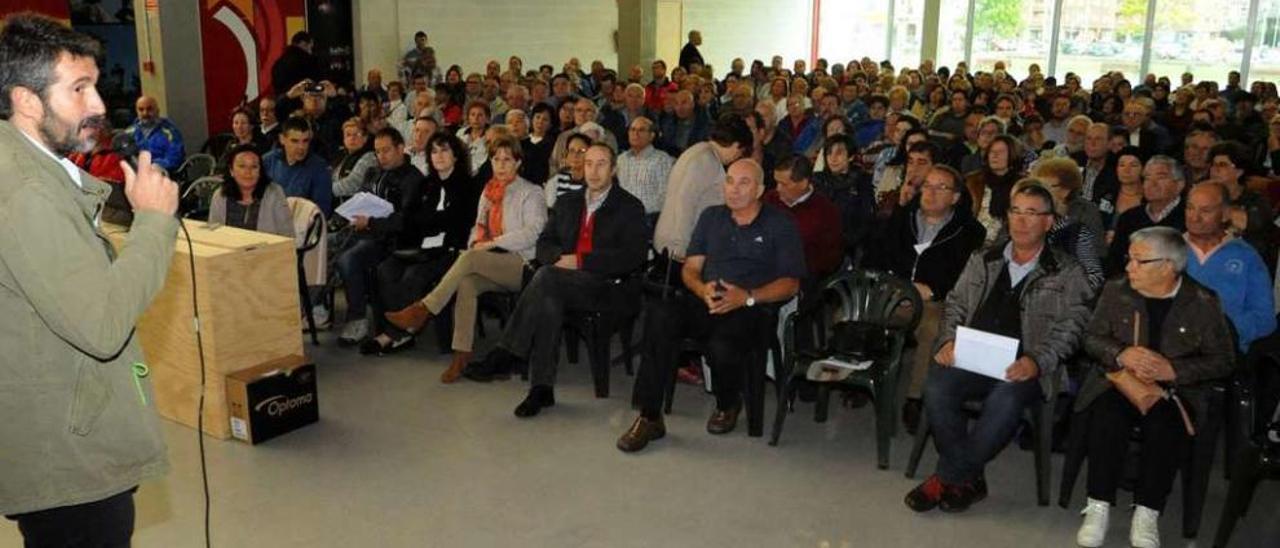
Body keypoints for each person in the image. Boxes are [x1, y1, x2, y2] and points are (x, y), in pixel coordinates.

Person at [0, 14, 179, 546]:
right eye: (78, 89)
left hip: (53, 433)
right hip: (69, 460)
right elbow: (101, 324)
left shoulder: (27, 170)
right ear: (27, 101)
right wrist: (153, 222)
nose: (99, 105)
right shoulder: (26, 194)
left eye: (95, 85)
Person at [905, 184, 1092, 513]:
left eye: (1031, 213)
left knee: (1006, 398)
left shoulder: (1066, 271)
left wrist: (1036, 360)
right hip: (974, 355)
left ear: (1049, 222)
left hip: (1026, 365)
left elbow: (1073, 327)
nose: (1021, 221)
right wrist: (948, 341)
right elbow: (955, 305)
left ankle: (947, 477)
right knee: (936, 386)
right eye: (1015, 211)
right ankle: (967, 477)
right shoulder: (984, 258)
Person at [618, 159, 805, 452]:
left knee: (722, 344)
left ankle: (728, 402)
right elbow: (691, 269)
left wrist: (747, 296)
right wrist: (701, 288)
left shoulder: (780, 224)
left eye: (744, 183)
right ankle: (650, 416)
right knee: (659, 316)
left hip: (752, 306)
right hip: (707, 299)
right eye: (729, 181)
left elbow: (791, 284)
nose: (734, 189)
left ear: (759, 190)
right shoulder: (711, 217)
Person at [1073, 227, 1234, 548]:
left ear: (1168, 267)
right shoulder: (1117, 290)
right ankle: (1098, 504)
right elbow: (1090, 338)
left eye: (1139, 261)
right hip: (1119, 382)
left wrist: (1174, 369)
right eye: (1129, 259)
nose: (1129, 268)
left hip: (1174, 391)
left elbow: (1224, 361)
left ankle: (1148, 510)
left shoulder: (1202, 302)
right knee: (1107, 417)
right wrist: (1121, 353)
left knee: (1165, 427)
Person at [472, 143, 647, 415]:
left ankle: (508, 352)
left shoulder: (629, 207)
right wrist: (557, 258)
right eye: (588, 163)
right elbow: (545, 243)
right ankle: (541, 389)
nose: (593, 171)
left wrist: (580, 261)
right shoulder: (568, 202)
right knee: (549, 297)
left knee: (546, 280)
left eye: (601, 164)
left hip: (609, 287)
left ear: (613, 169)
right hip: (562, 281)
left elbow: (633, 257)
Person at [384, 135, 547, 381]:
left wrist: (489, 244)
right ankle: (461, 355)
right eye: (496, 159)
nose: (501, 165)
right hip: (488, 260)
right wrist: (475, 242)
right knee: (466, 283)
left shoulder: (531, 192)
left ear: (518, 163)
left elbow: (532, 233)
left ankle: (423, 309)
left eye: (507, 160)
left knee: (469, 259)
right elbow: (477, 226)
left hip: (521, 264)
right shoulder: (489, 190)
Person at [865, 165, 986, 433]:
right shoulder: (901, 218)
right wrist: (896, 286)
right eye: (927, 185)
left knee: (933, 329)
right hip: (893, 292)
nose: (930, 192)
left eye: (940, 187)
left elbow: (964, 276)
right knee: (855, 313)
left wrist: (934, 290)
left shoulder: (969, 231)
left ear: (955, 197)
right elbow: (877, 257)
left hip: (934, 300)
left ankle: (915, 398)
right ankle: (862, 377)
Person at [333, 128, 431, 348]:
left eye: (386, 150)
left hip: (390, 239)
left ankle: (357, 319)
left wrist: (370, 222)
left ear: (400, 148)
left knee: (348, 259)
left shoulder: (413, 179)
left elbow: (405, 221)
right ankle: (313, 307)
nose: (381, 156)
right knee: (325, 247)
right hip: (364, 230)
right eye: (377, 152)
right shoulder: (374, 172)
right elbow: (363, 198)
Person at [1183, 183, 1276, 352]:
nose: (1194, 217)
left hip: (1225, 355)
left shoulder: (1246, 256)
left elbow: (1265, 318)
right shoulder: (1168, 248)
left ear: (1225, 214)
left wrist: (1221, 332)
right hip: (1169, 350)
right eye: (1190, 208)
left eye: (1205, 211)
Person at [653, 115, 754, 260]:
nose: (737, 157)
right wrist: (683, 248)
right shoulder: (707, 161)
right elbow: (685, 203)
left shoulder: (697, 151)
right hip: (679, 246)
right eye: (740, 153)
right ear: (736, 145)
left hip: (672, 241)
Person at [763, 155, 843, 282]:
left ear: (803, 183)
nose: (778, 189)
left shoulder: (825, 212)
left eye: (783, 184)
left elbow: (830, 259)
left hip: (804, 279)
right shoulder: (769, 200)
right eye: (776, 182)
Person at [1105, 156, 1187, 277]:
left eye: (1161, 177)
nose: (1152, 184)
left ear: (1179, 184)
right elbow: (1114, 264)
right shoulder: (1129, 217)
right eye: (1147, 178)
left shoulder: (1190, 217)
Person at [208, 145, 293, 237]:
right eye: (242, 166)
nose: (248, 172)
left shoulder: (274, 193)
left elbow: (288, 236)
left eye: (254, 167)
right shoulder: (220, 195)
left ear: (260, 171)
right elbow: (214, 235)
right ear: (231, 170)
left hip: (268, 250)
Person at [263, 116, 333, 214]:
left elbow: (321, 210)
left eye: (305, 141)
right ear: (282, 139)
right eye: (295, 141)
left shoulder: (319, 168)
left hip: (299, 224)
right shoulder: (269, 160)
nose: (301, 147)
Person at [616, 116, 673, 225]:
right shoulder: (621, 159)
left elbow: (665, 195)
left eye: (641, 130)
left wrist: (637, 210)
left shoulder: (661, 159)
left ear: (651, 136)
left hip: (649, 218)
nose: (635, 134)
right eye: (632, 129)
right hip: (622, 218)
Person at [126, 96, 186, 172]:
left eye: (149, 109)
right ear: (136, 111)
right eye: (141, 110)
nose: (145, 113)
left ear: (157, 111)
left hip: (162, 175)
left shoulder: (170, 131)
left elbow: (175, 158)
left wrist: (152, 165)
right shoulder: (129, 132)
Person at [271, 31, 323, 97]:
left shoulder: (278, 64)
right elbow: (317, 84)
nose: (311, 52)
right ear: (303, 43)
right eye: (311, 47)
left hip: (284, 103)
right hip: (304, 102)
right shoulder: (308, 61)